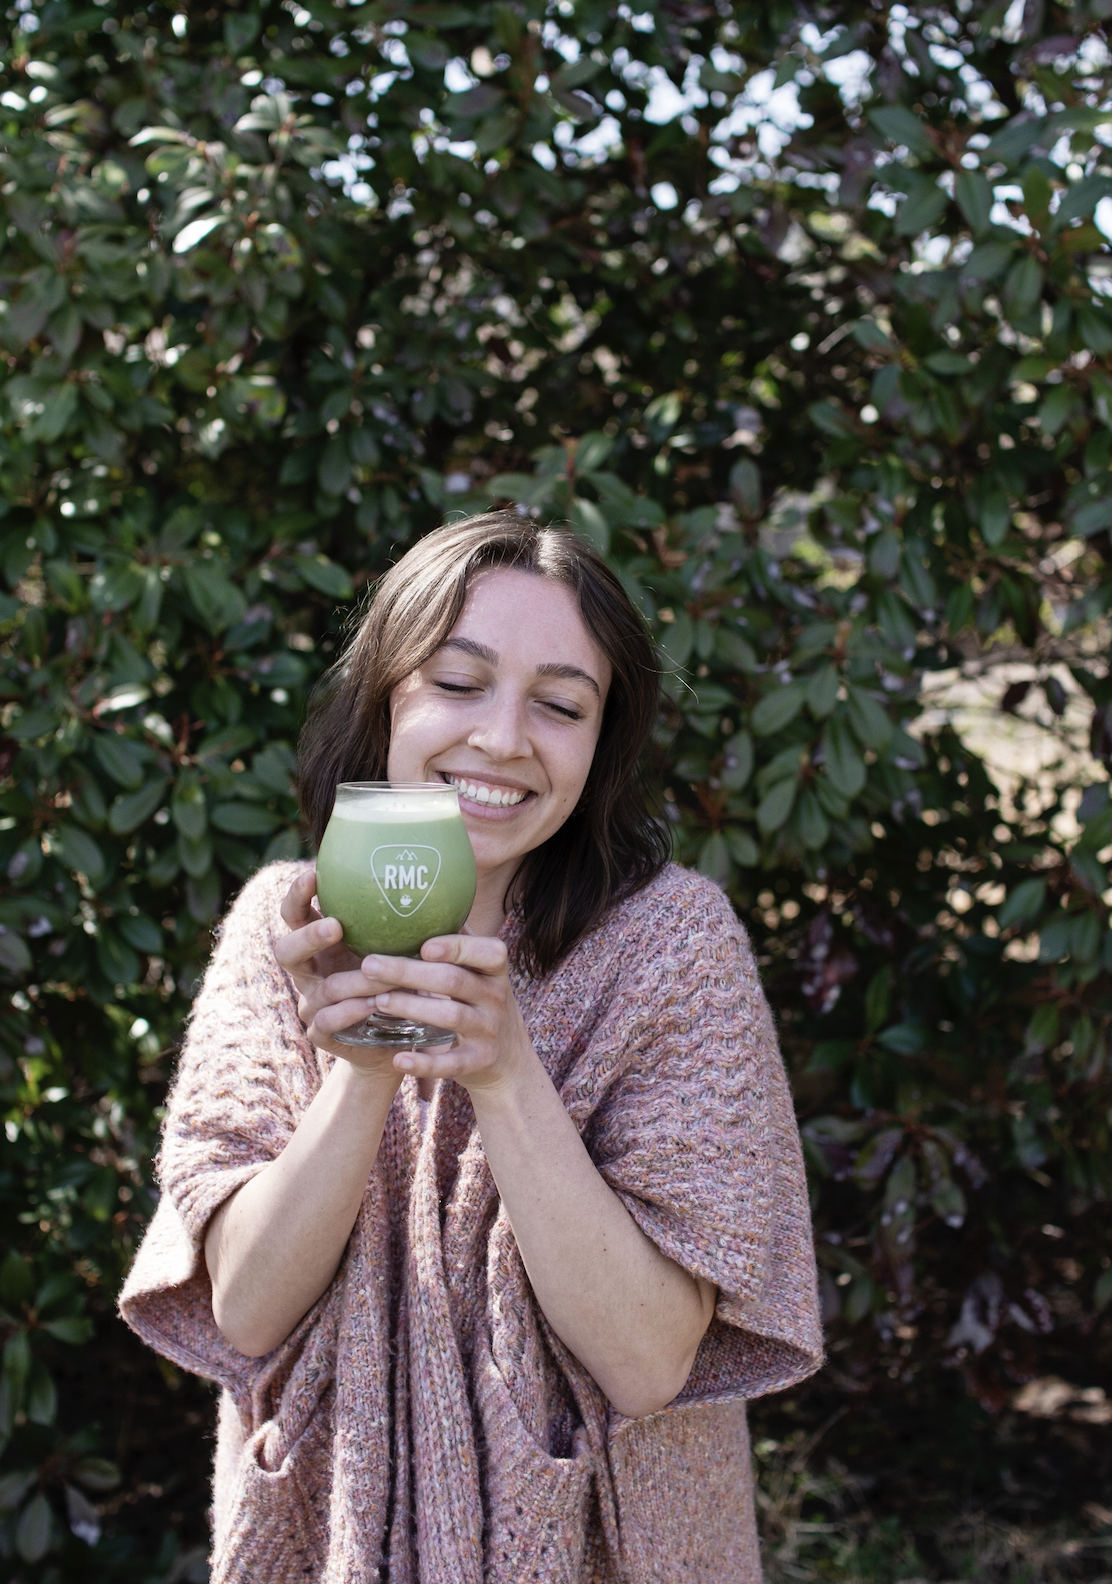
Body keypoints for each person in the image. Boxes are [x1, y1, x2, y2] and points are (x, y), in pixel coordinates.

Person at [120, 511, 821, 1584]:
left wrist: (504, 1069)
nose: (501, 738)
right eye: (458, 682)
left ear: (601, 742)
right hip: (330, 1534)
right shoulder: (282, 927)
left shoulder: (672, 948)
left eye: (559, 705)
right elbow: (244, 1310)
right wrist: (362, 1067)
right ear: (385, 696)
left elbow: (646, 1363)